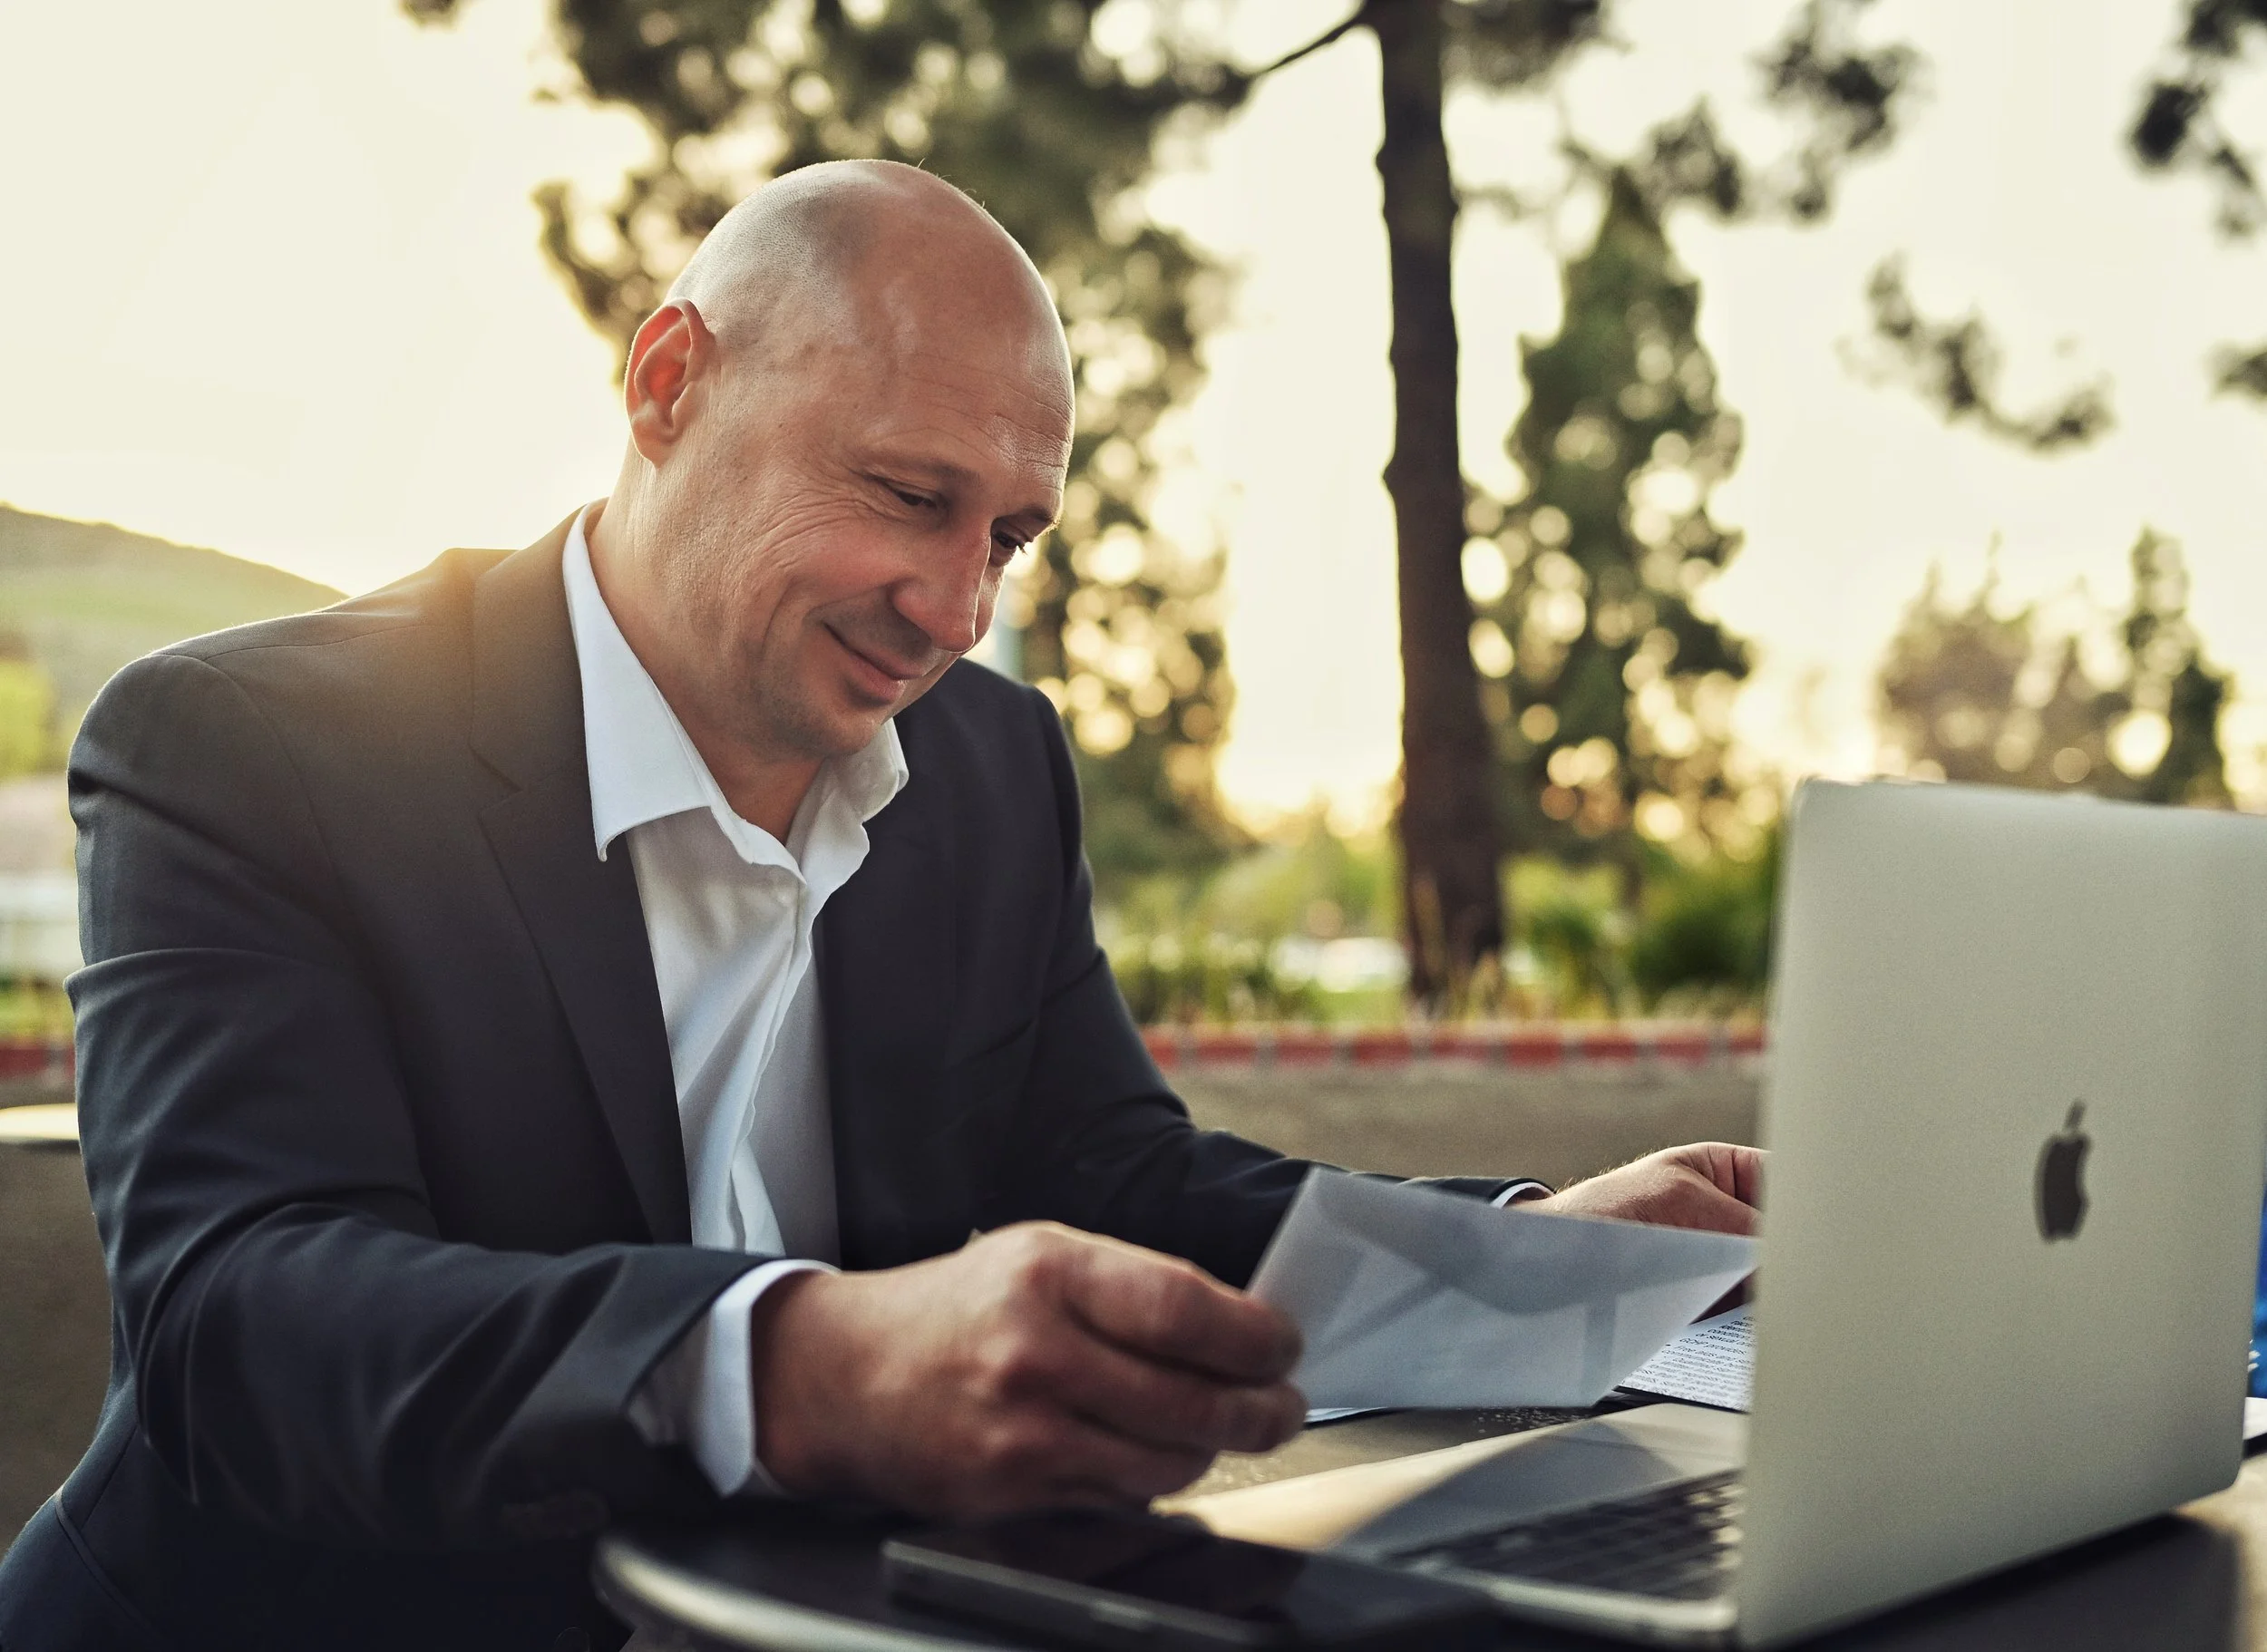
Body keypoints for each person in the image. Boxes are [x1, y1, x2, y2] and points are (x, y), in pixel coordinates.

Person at [0, 160, 1760, 1651]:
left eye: (1008, 534)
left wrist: (1535, 1253)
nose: (953, 605)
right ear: (666, 381)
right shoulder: (241, 744)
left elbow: (1117, 1184)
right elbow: (242, 1321)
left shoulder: (991, 766)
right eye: (907, 497)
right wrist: (803, 1360)